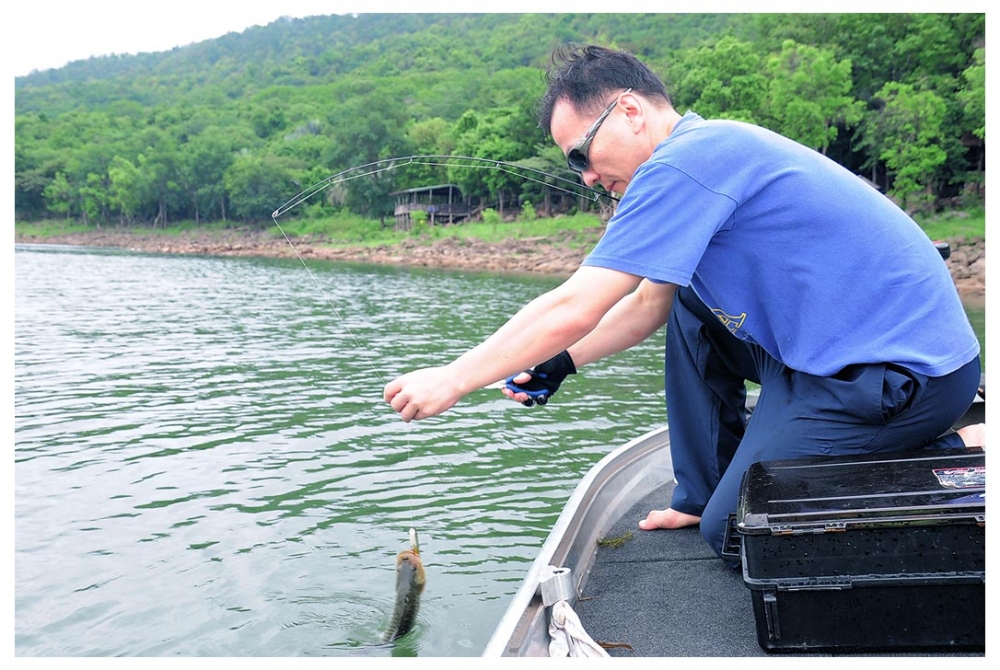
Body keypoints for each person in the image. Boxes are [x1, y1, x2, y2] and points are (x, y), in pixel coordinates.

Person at [383, 44, 984, 559]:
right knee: (689, 306)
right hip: (822, 356)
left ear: (629, 111)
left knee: (740, 535)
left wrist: (454, 378)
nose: (585, 177)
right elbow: (647, 306)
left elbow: (576, 304)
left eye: (581, 155)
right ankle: (704, 492)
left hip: (902, 380)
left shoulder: (686, 164)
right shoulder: (701, 154)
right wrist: (561, 363)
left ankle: (952, 448)